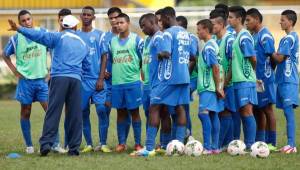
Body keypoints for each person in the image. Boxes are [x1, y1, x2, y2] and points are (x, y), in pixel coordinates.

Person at [8, 14, 90, 156]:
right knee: (75, 114)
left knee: (53, 111)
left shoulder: (57, 37)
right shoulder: (83, 43)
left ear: (63, 25)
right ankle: (74, 148)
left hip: (59, 78)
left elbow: (37, 36)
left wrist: (19, 29)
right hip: (76, 80)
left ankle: (46, 144)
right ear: (75, 26)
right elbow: (87, 66)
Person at [1, 10, 49, 154]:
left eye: (29, 19)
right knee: (25, 111)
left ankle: (53, 142)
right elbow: (5, 54)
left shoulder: (42, 33)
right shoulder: (16, 39)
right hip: (26, 82)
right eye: (23, 21)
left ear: (32, 20)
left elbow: (54, 49)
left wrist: (51, 72)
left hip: (42, 80)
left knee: (50, 112)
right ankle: (29, 145)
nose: (27, 22)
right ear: (19, 23)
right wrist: (15, 71)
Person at [102, 13, 144, 152]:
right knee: (120, 113)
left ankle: (138, 143)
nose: (118, 25)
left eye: (121, 22)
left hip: (132, 82)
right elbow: (110, 60)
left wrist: (139, 75)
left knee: (135, 113)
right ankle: (122, 143)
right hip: (117, 83)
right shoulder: (112, 42)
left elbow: (142, 60)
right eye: (116, 23)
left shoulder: (137, 40)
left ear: (128, 23)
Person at [151, 6, 191, 144]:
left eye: (161, 20)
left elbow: (166, 52)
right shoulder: (185, 33)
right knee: (180, 108)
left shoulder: (167, 33)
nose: (161, 23)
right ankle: (179, 143)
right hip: (184, 75)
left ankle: (149, 147)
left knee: (154, 106)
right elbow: (191, 55)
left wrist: (158, 54)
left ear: (168, 18)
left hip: (170, 77)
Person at [77, 6, 111, 153]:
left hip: (97, 79)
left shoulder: (100, 35)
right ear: (80, 17)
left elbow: (104, 56)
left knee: (102, 109)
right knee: (83, 111)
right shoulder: (76, 35)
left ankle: (103, 143)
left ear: (93, 17)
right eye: (83, 14)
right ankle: (89, 144)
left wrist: (101, 78)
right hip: (82, 81)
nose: (85, 17)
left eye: (88, 15)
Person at [245, 8, 277, 151]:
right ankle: (261, 141)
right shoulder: (254, 35)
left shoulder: (265, 36)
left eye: (248, 20)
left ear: (257, 20)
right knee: (258, 110)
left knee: (268, 109)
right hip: (256, 80)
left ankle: (272, 143)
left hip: (265, 80)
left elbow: (273, 57)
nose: (246, 23)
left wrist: (268, 74)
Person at [101, 7, 132, 147]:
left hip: (123, 80)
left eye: (116, 18)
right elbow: (101, 57)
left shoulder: (130, 37)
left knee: (126, 110)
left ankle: (122, 142)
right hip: (108, 81)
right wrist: (102, 73)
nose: (114, 21)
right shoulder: (105, 37)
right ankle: (103, 143)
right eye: (111, 18)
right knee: (104, 109)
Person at [228, 6, 257, 149]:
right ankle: (247, 143)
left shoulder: (244, 36)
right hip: (238, 81)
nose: (229, 20)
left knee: (247, 111)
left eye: (231, 17)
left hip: (245, 81)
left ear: (239, 19)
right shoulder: (236, 36)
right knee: (242, 112)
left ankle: (251, 144)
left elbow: (253, 58)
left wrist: (249, 74)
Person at [272, 10, 298, 154]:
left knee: (288, 113)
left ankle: (291, 144)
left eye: (283, 20)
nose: (280, 22)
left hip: (289, 80)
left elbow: (280, 58)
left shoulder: (289, 39)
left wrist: (270, 52)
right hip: (283, 80)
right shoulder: (289, 38)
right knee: (286, 113)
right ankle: (290, 144)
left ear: (290, 21)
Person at [196, 19, 224, 154]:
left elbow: (215, 67)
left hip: (208, 86)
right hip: (210, 86)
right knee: (213, 115)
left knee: (203, 114)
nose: (197, 32)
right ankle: (215, 147)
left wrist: (218, 87)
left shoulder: (208, 47)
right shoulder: (212, 44)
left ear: (206, 30)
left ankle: (207, 147)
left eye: (199, 29)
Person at [210, 9, 235, 150]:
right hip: (218, 83)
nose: (211, 27)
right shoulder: (214, 39)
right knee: (220, 112)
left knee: (226, 112)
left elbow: (233, 62)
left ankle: (219, 144)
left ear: (221, 24)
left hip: (228, 83)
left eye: (213, 25)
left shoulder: (230, 39)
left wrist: (225, 82)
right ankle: (227, 143)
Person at [176, 15, 198, 140]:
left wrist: (185, 75)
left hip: (191, 77)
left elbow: (193, 58)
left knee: (183, 105)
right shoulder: (176, 37)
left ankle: (188, 134)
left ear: (183, 27)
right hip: (181, 77)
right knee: (180, 105)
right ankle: (183, 133)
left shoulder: (191, 38)